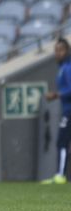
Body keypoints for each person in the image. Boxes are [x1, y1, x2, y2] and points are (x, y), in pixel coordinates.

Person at [43, 37, 71, 184]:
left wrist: (55, 95)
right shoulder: (62, 69)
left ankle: (61, 175)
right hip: (66, 110)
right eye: (56, 50)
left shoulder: (68, 68)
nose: (57, 53)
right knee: (62, 142)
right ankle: (60, 174)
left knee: (62, 142)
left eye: (60, 50)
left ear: (67, 51)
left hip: (69, 112)